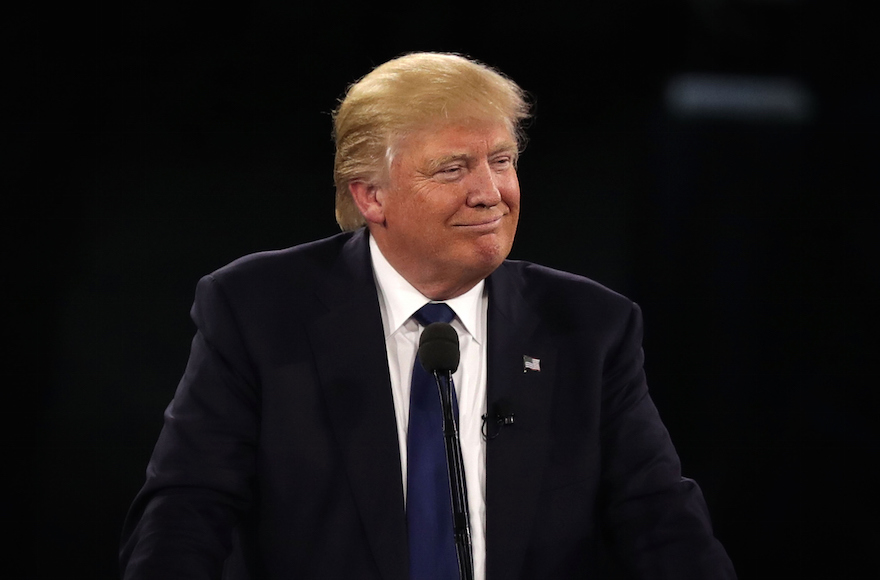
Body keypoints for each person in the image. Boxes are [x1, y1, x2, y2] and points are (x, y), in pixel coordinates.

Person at [120, 52, 736, 579]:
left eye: (501, 159)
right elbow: (187, 508)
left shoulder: (589, 327)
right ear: (371, 196)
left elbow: (659, 520)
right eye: (453, 168)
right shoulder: (260, 310)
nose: (490, 192)